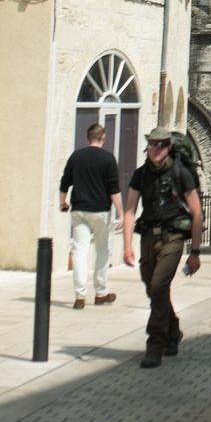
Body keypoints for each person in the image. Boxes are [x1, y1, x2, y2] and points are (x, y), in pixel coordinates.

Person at [122, 128, 203, 369]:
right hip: (148, 236)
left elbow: (197, 212)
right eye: (152, 145)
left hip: (173, 236)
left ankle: (154, 345)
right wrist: (127, 246)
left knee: (158, 286)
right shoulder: (140, 174)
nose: (156, 150)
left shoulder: (181, 173)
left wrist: (195, 252)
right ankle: (173, 330)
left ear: (168, 147)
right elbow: (129, 210)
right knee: (153, 289)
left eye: (161, 145)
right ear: (147, 147)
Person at [58, 122, 122, 310]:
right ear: (103, 138)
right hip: (100, 211)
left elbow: (65, 182)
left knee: (79, 251)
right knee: (102, 250)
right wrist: (120, 212)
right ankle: (101, 292)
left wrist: (63, 202)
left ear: (88, 138)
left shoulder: (76, 156)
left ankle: (80, 296)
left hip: (79, 209)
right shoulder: (108, 159)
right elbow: (114, 189)